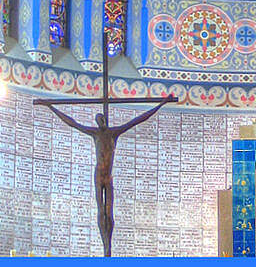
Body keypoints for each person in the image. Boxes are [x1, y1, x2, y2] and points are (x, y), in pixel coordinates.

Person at [41, 102, 167, 256]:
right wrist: (50, 106)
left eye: (101, 119)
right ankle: (105, 245)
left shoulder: (114, 132)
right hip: (99, 176)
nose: (100, 122)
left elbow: (139, 119)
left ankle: (109, 247)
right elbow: (72, 123)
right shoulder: (95, 133)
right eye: (98, 120)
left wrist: (162, 104)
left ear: (105, 120)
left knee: (109, 211)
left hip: (108, 177)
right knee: (101, 211)